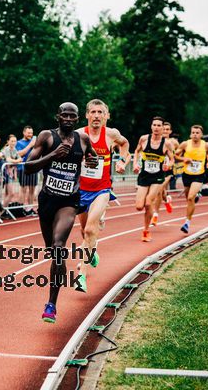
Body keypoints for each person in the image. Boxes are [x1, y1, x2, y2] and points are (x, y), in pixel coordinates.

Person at [24, 102, 97, 323]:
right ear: (58, 117)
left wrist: (92, 160)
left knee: (58, 248)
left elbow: (93, 158)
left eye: (72, 116)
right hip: (47, 201)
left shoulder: (83, 140)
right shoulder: (46, 136)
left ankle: (51, 305)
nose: (68, 119)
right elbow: (28, 166)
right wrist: (52, 156)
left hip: (69, 202)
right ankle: (55, 288)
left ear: (77, 120)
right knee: (51, 250)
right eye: (64, 115)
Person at [75, 99, 130, 290]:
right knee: (85, 232)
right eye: (93, 112)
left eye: (100, 112)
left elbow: (125, 144)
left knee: (90, 229)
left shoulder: (111, 134)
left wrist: (122, 161)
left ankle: (81, 275)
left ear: (106, 116)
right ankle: (93, 250)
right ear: (87, 115)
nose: (97, 116)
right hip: (81, 190)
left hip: (102, 190)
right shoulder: (79, 134)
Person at [133, 117, 174, 242]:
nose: (156, 128)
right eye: (154, 125)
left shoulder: (166, 143)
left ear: (162, 128)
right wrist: (135, 164)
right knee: (139, 206)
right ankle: (151, 214)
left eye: (159, 125)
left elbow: (172, 159)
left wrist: (169, 165)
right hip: (144, 175)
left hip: (157, 176)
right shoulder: (144, 139)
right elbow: (136, 151)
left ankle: (146, 230)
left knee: (148, 202)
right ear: (151, 126)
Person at [174, 125, 208, 233]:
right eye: (193, 132)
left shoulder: (206, 145)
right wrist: (183, 159)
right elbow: (175, 155)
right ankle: (196, 196)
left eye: (197, 133)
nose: (195, 135)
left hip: (199, 174)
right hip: (187, 174)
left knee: (191, 197)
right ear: (190, 134)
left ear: (201, 134)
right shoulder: (185, 144)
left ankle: (187, 222)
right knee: (188, 199)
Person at [154, 121, 180, 218]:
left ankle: (155, 214)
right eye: (164, 129)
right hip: (158, 169)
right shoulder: (156, 141)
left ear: (170, 131)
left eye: (167, 129)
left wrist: (174, 159)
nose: (165, 131)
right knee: (162, 191)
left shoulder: (173, 142)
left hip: (168, 170)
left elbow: (179, 153)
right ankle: (167, 199)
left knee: (159, 189)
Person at [16, 126, 38, 215]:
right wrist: (30, 145)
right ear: (24, 133)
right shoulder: (18, 143)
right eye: (28, 133)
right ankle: (21, 208)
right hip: (23, 168)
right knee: (24, 189)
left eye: (31, 133)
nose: (30, 135)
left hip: (33, 167)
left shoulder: (34, 142)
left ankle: (30, 208)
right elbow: (19, 154)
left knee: (32, 189)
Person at [1, 134, 23, 213]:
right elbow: (8, 159)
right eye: (12, 141)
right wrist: (17, 161)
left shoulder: (14, 149)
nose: (14, 143)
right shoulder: (6, 149)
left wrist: (17, 160)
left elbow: (19, 158)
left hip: (10, 173)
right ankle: (1, 211)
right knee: (11, 194)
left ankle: (3, 211)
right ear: (8, 141)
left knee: (7, 194)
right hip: (4, 173)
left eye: (15, 141)